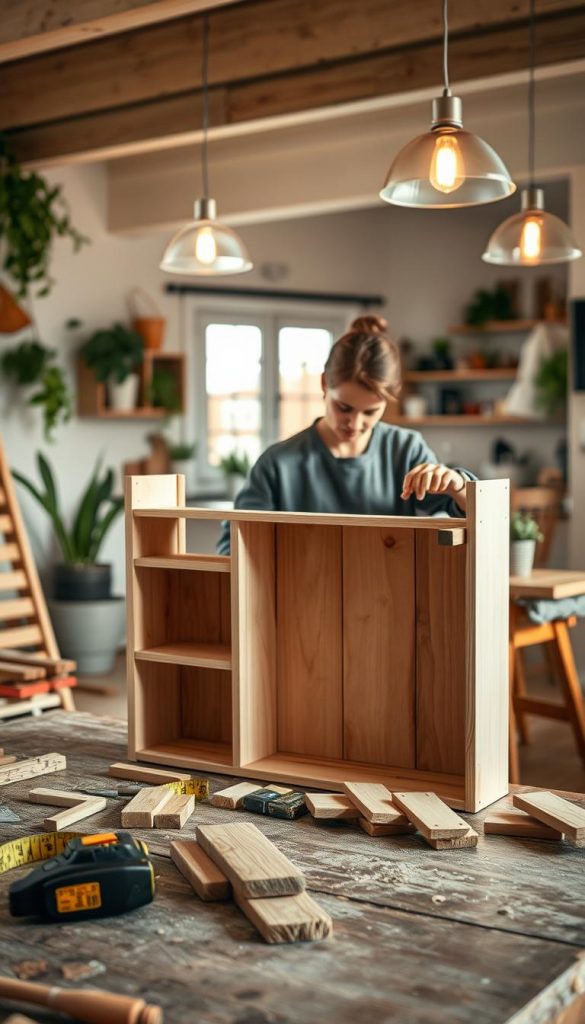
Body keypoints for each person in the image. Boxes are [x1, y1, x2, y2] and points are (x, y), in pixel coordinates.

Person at [217, 314, 474, 555]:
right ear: (323, 385)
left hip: (391, 598)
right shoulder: (277, 464)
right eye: (344, 407)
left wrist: (458, 485)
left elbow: (473, 516)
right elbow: (234, 547)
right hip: (298, 599)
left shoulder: (405, 449)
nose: (354, 423)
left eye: (370, 412)